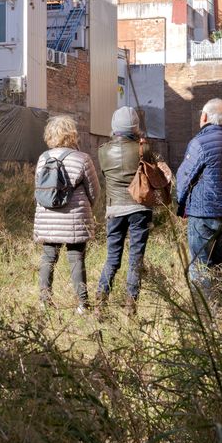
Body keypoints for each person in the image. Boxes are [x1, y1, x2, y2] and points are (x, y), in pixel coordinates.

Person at [34, 115, 100, 314]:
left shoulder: (43, 158)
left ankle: (45, 301)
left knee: (48, 258)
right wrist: (89, 207)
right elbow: (94, 191)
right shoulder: (82, 158)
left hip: (48, 217)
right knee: (76, 258)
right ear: (72, 135)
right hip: (75, 218)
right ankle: (82, 304)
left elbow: (38, 189)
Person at [175, 98, 222, 291]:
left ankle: (204, 315)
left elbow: (185, 176)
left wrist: (180, 207)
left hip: (203, 215)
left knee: (200, 267)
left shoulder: (199, 142)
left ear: (204, 117)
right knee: (221, 266)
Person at [96, 106, 158, 315]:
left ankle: (100, 302)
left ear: (114, 126)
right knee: (136, 257)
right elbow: (152, 175)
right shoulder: (144, 149)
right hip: (139, 207)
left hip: (114, 208)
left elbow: (106, 175)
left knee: (113, 257)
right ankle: (131, 305)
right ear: (135, 126)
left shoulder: (103, 150)